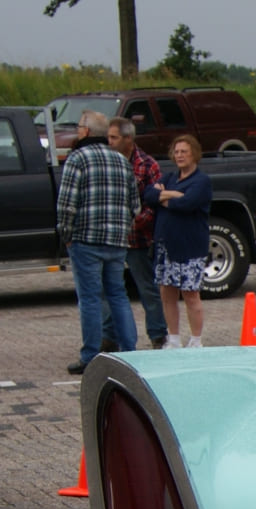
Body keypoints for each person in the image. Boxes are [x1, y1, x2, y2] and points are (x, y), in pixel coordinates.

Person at [56, 109, 138, 374]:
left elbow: (67, 204)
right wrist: (122, 228)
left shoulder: (77, 159)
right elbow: (134, 206)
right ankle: (130, 351)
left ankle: (91, 354)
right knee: (118, 294)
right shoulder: (122, 162)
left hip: (85, 239)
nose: (78, 130)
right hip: (116, 241)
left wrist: (66, 236)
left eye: (80, 126)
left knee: (90, 298)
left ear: (87, 131)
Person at [103, 117, 168, 350]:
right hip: (110, 238)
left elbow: (154, 203)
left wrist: (131, 224)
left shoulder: (146, 165)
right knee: (109, 288)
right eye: (108, 137)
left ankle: (158, 334)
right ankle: (109, 337)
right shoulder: (107, 162)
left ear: (128, 139)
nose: (109, 142)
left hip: (138, 238)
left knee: (147, 288)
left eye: (114, 137)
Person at [146, 135, 213, 348]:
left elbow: (187, 204)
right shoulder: (170, 178)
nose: (180, 155)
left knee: (191, 294)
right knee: (167, 292)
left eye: (184, 151)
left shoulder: (202, 181)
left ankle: (195, 340)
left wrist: (164, 198)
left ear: (194, 153)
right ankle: (173, 338)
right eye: (176, 152)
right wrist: (173, 194)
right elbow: (148, 195)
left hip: (190, 246)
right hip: (166, 245)